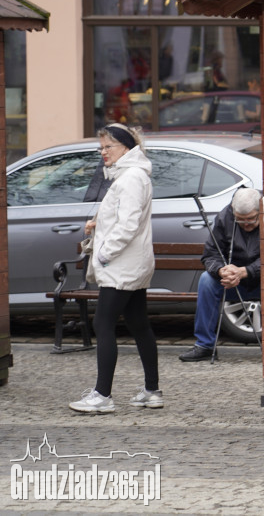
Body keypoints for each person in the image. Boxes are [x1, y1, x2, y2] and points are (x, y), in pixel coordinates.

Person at [70, 124, 160, 414]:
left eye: (108, 147)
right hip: (130, 263)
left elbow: (129, 223)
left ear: (125, 147)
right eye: (101, 147)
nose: (103, 152)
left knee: (103, 323)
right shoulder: (129, 175)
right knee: (138, 324)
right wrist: (98, 226)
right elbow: (122, 217)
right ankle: (151, 391)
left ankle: (102, 395)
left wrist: (105, 253)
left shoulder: (131, 177)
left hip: (123, 265)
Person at [179, 188, 262, 362]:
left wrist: (245, 271)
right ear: (233, 210)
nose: (246, 224)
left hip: (263, 279)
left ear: (261, 210)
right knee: (207, 280)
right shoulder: (225, 218)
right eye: (241, 220)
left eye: (251, 219)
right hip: (232, 280)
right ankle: (205, 346)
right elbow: (210, 254)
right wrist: (221, 270)